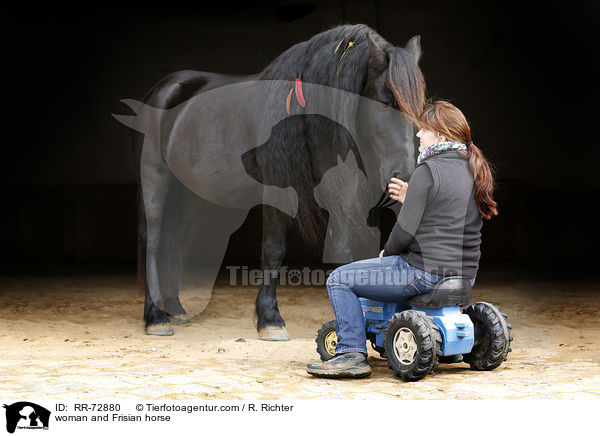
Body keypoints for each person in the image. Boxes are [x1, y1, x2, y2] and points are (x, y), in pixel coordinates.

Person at [307, 100, 499, 378]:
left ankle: (350, 352)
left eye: (423, 130)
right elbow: (448, 216)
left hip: (424, 273)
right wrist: (413, 198)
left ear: (442, 135)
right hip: (464, 276)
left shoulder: (428, 169)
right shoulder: (474, 168)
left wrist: (387, 252)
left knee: (340, 279)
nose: (418, 135)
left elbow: (405, 232)